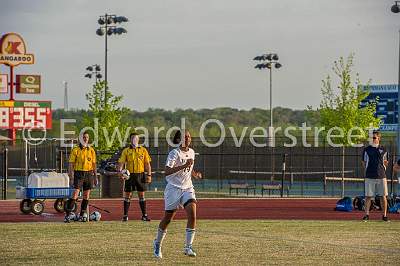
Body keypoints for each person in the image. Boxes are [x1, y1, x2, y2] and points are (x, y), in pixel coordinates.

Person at [153, 129, 202, 259]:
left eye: (189, 137)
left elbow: (189, 167)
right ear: (179, 139)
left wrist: (194, 174)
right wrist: (183, 165)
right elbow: (167, 171)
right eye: (185, 137)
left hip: (187, 187)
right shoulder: (174, 153)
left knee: (192, 214)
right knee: (168, 218)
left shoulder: (191, 152)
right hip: (173, 188)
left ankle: (188, 247)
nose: (188, 139)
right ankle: (157, 243)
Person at [118, 132, 152, 222]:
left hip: (140, 175)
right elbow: (121, 163)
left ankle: (144, 215)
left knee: (142, 195)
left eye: (136, 138)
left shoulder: (143, 150)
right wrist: (120, 172)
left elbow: (147, 164)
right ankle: (125, 216)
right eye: (133, 138)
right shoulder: (126, 151)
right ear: (130, 139)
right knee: (128, 195)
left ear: (138, 140)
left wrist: (149, 175)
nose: (134, 140)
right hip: (129, 176)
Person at [64, 131, 97, 223]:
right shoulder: (76, 150)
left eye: (87, 137)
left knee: (86, 195)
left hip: (89, 174)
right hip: (79, 174)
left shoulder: (91, 150)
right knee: (75, 194)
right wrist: (71, 176)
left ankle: (82, 215)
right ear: (80, 139)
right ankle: (68, 215)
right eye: (84, 137)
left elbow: (94, 164)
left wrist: (95, 177)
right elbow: (71, 164)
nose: (85, 139)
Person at [361, 131, 389, 221]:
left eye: (374, 138)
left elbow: (386, 162)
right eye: (371, 138)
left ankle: (384, 216)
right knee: (368, 196)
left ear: (378, 138)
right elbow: (363, 162)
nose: (372, 139)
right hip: (369, 176)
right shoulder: (367, 149)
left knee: (383, 196)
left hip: (381, 176)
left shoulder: (384, 149)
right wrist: (367, 170)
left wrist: (382, 170)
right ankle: (366, 215)